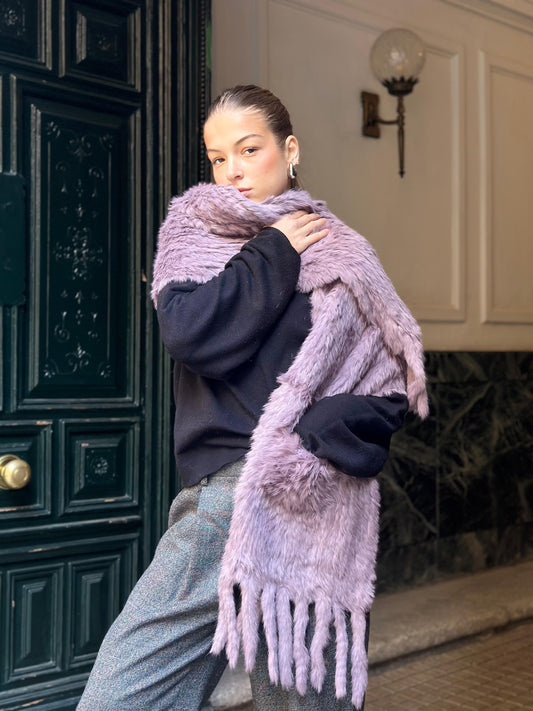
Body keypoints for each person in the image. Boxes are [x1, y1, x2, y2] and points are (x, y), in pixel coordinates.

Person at [77, 85, 427, 711]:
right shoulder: (194, 234)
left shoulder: (341, 249)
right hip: (226, 501)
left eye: (249, 149)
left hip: (315, 497)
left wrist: (317, 441)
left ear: (289, 149)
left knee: (305, 698)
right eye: (217, 157)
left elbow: (391, 379)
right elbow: (194, 336)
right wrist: (278, 249)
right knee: (126, 688)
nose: (232, 170)